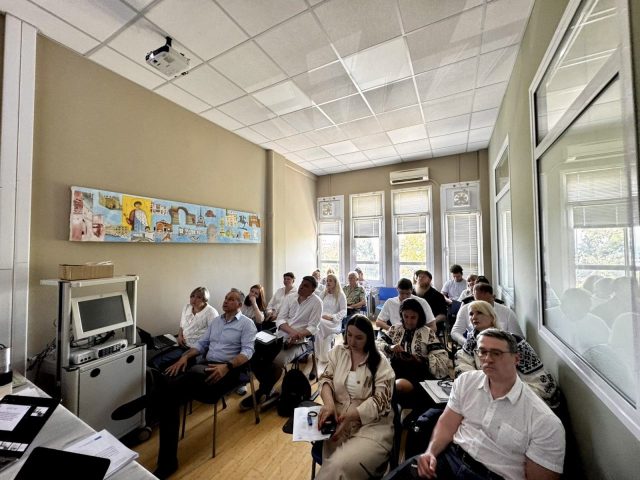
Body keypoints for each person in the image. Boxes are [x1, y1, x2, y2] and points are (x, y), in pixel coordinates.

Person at [113, 289, 257, 479]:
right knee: (170, 399)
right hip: (206, 367)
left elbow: (248, 352)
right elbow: (202, 344)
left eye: (231, 299)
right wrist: (184, 357)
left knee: (186, 379)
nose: (226, 301)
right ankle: (168, 464)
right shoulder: (217, 322)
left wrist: (227, 366)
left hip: (228, 371)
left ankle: (147, 401)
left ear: (239, 304)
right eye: (226, 298)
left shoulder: (247, 324)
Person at [416, 328, 565, 480]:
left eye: (496, 353)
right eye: (482, 352)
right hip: (450, 460)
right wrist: (430, 452)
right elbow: (447, 424)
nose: (487, 358)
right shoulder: (466, 381)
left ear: (516, 359)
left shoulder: (544, 421)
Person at [316, 315, 395, 479]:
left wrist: (351, 415)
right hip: (339, 418)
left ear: (369, 339)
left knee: (338, 466)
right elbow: (325, 379)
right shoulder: (339, 352)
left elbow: (381, 401)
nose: (352, 342)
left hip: (372, 425)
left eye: (359, 338)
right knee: (334, 466)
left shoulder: (380, 362)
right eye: (349, 335)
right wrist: (329, 404)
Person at [455, 301, 559, 407]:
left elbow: (538, 381)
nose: (474, 317)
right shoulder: (472, 339)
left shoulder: (514, 342)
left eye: (480, 313)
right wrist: (476, 381)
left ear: (492, 317)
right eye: (471, 314)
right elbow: (462, 360)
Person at [240, 275, 322, 411]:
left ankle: (263, 391)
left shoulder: (317, 302)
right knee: (254, 356)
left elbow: (313, 327)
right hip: (281, 335)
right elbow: (280, 320)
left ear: (312, 290)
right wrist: (292, 333)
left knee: (277, 361)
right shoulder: (291, 297)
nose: (301, 287)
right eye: (302, 284)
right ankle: (268, 388)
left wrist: (297, 335)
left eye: (306, 286)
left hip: (301, 341)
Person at [377, 298, 449, 409]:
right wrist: (390, 347)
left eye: (413, 317)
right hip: (395, 371)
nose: (409, 321)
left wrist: (421, 359)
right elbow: (377, 344)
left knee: (399, 387)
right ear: (401, 315)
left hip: (419, 374)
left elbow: (442, 359)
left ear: (419, 316)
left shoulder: (427, 332)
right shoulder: (395, 329)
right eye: (405, 316)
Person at [149, 286, 218, 370]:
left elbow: (213, 336)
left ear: (205, 300)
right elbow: (182, 325)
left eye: (198, 297)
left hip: (194, 348)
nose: (194, 299)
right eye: (192, 296)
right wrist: (180, 336)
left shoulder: (211, 313)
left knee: (158, 364)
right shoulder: (187, 307)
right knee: (153, 360)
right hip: (181, 343)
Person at [451, 282, 524, 346]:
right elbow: (455, 332)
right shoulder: (465, 309)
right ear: (474, 298)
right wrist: (467, 343)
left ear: (493, 297)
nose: (482, 306)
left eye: (486, 302)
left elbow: (518, 338)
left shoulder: (507, 312)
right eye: (479, 301)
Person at [317, 273, 347, 362]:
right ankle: (318, 353)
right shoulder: (323, 293)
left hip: (333, 321)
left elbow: (344, 311)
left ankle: (324, 355)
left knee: (319, 323)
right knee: (317, 323)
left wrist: (332, 317)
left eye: (330, 281)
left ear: (335, 282)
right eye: (327, 281)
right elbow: (317, 306)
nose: (328, 282)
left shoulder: (340, 294)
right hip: (321, 318)